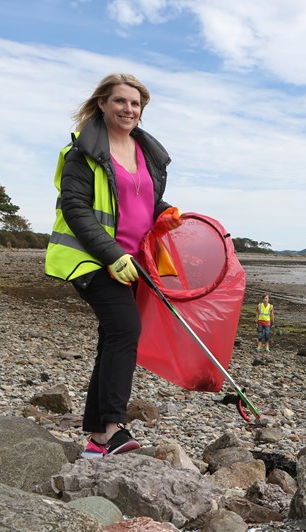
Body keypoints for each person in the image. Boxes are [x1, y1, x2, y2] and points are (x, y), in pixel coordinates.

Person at [45, 72, 180, 458]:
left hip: (132, 262)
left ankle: (96, 436)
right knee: (125, 330)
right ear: (102, 103)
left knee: (112, 338)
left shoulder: (147, 154)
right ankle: (112, 428)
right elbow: (75, 209)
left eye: (135, 103)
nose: (128, 109)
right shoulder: (82, 153)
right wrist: (111, 255)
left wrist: (165, 212)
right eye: (120, 101)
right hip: (91, 259)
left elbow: (141, 202)